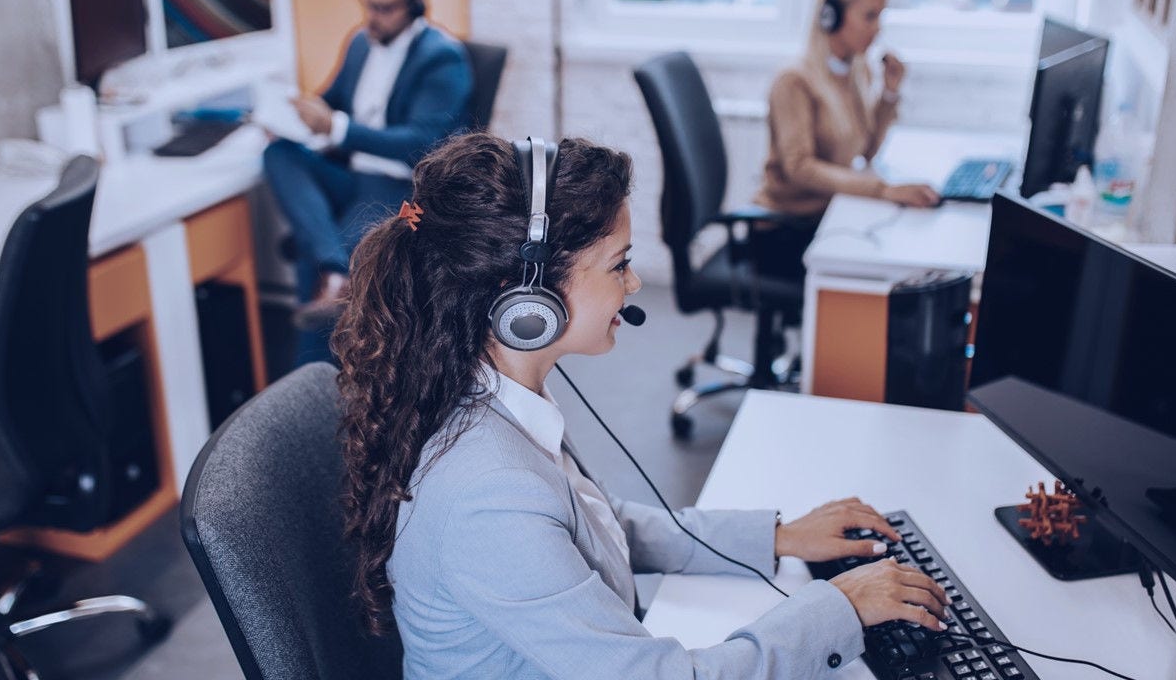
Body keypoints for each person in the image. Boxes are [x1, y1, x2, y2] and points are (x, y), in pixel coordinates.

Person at [332, 132, 950, 679]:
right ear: (526, 300)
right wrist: (838, 609)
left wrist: (778, 537)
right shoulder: (486, 492)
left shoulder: (495, 396)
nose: (633, 285)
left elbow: (600, 526)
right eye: (619, 265)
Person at [263, 0, 472, 363]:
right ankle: (334, 267)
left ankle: (313, 393)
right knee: (279, 155)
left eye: (384, 8)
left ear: (414, 3)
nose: (371, 17)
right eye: (367, 3)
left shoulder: (443, 58)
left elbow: (422, 142)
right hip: (353, 175)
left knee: (313, 249)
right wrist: (293, 118)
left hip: (401, 190)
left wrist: (336, 128)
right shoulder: (360, 43)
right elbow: (332, 100)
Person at [754, 0, 939, 281]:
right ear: (832, 15)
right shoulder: (794, 81)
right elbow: (800, 168)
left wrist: (889, 95)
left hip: (827, 216)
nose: (878, 28)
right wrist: (883, 190)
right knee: (876, 268)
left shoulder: (856, 72)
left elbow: (866, 151)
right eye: (869, 16)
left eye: (881, 16)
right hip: (787, 228)